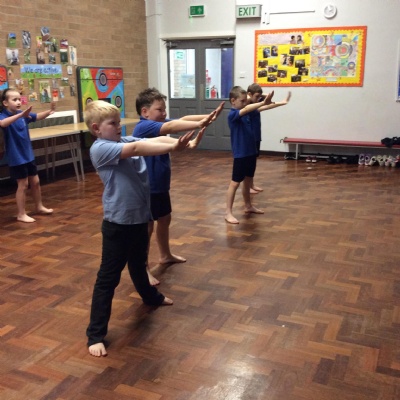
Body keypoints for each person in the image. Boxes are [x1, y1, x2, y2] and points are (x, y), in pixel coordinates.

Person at [84, 100, 208, 357]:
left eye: (119, 122)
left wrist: (180, 144)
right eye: (113, 124)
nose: (119, 127)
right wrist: (174, 145)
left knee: (139, 264)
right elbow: (138, 147)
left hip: (139, 217)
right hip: (118, 224)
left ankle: (151, 297)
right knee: (108, 278)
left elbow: (153, 141)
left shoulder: (120, 139)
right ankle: (95, 335)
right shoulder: (101, 148)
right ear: (96, 128)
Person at [133, 87, 224, 285]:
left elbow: (182, 119)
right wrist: (200, 123)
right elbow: (174, 125)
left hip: (160, 186)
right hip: (147, 188)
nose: (164, 113)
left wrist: (208, 116)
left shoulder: (157, 123)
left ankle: (165, 255)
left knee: (165, 219)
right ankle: (143, 268)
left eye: (164, 109)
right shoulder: (143, 127)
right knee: (147, 227)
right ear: (145, 112)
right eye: (159, 109)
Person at [0, 88, 55, 223]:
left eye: (19, 99)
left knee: (35, 182)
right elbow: (3, 123)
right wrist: (21, 115)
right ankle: (21, 214)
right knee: (23, 185)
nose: (18, 102)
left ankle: (39, 206)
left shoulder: (22, 114)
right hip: (16, 157)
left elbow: (37, 116)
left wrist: (49, 111)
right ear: (5, 103)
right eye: (14, 100)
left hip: (28, 155)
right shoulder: (3, 116)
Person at [225, 86, 274, 224]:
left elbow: (259, 108)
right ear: (233, 101)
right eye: (242, 101)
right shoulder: (233, 115)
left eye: (245, 101)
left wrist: (268, 101)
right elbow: (247, 109)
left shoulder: (247, 113)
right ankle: (228, 212)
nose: (245, 103)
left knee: (247, 181)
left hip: (251, 152)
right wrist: (263, 101)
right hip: (241, 154)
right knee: (235, 183)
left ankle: (248, 206)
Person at [246, 83, 292, 194]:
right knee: (248, 164)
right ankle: (247, 187)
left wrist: (282, 102)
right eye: (256, 96)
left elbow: (268, 102)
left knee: (253, 163)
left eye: (259, 97)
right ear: (249, 94)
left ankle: (251, 184)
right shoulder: (247, 107)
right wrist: (280, 102)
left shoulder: (256, 104)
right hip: (249, 139)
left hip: (256, 137)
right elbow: (266, 105)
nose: (259, 99)